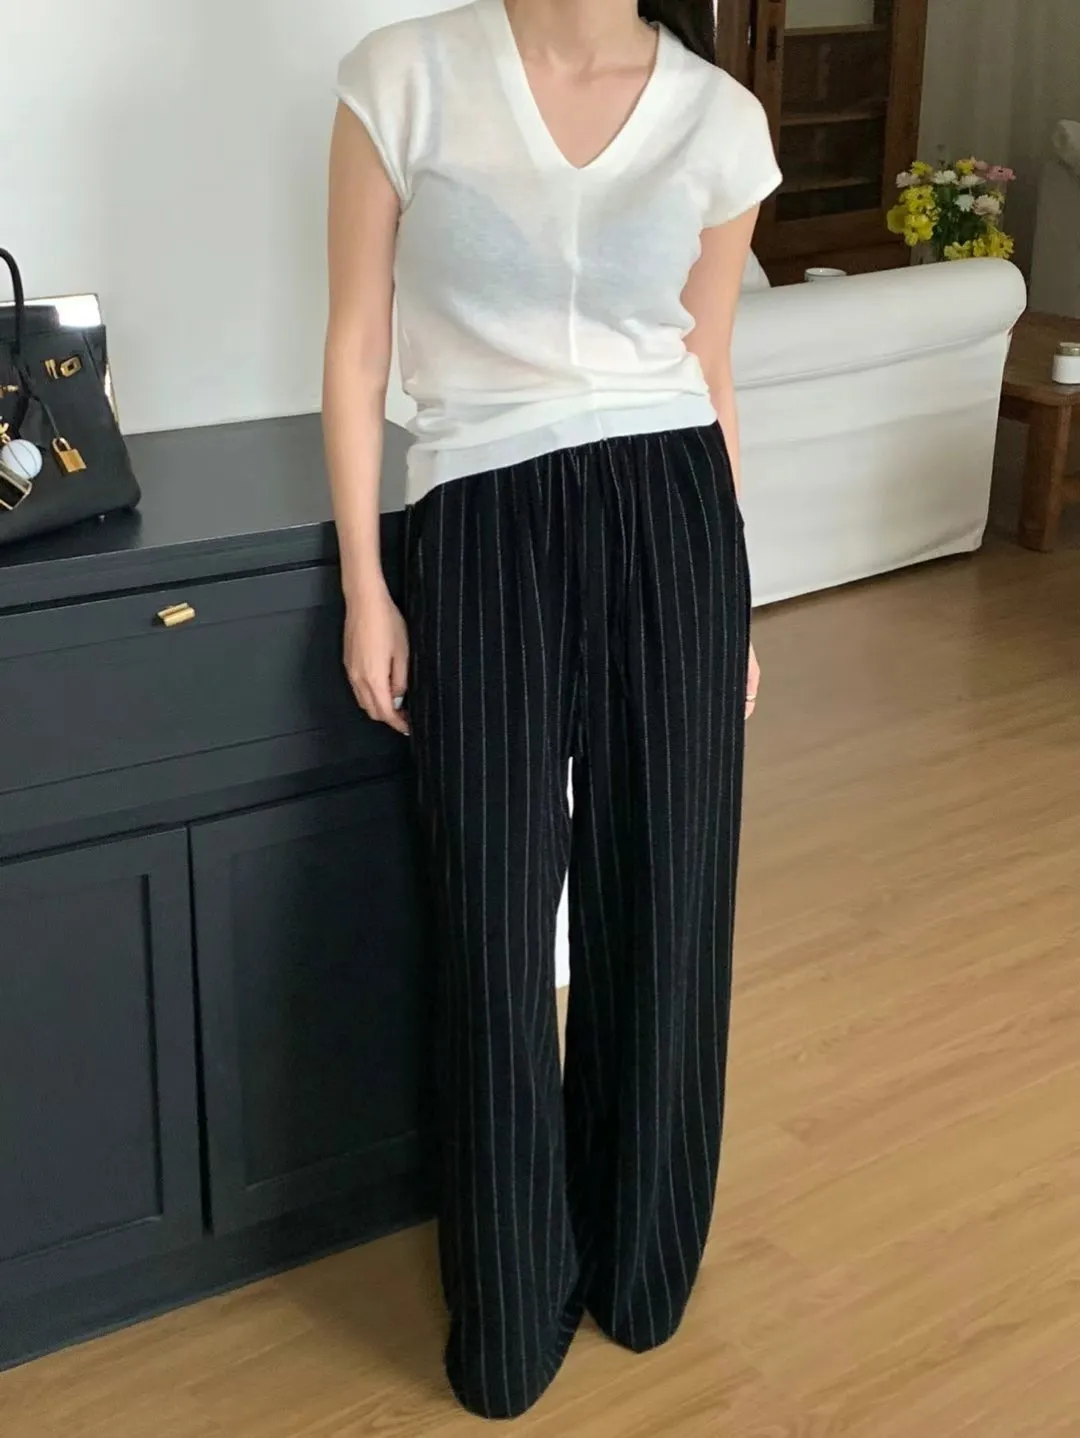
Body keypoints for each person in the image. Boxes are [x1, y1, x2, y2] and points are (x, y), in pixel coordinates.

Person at [322, 0, 781, 1419]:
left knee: (669, 902)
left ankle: (643, 1260)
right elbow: (356, 343)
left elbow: (710, 366)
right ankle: (513, 1300)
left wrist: (736, 600)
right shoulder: (403, 76)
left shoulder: (719, 117)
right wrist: (368, 586)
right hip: (480, 519)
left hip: (676, 519)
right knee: (493, 918)